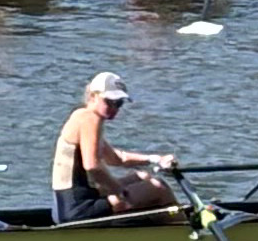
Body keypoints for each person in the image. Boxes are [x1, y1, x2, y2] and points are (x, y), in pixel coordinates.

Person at [49, 72, 178, 224]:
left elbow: (117, 158)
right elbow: (92, 166)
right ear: (93, 96)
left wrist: (156, 159)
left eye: (119, 103)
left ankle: (156, 225)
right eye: (109, 101)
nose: (114, 108)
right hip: (79, 209)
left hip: (65, 208)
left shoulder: (81, 117)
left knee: (143, 177)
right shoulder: (90, 118)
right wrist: (119, 191)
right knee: (159, 187)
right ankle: (186, 232)